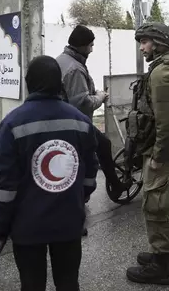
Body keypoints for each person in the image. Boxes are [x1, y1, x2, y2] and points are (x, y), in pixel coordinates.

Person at [0, 55, 98, 291]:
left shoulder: (11, 124)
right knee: (69, 282)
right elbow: (90, 173)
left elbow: (4, 186)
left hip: (27, 226)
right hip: (69, 220)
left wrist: (0, 226)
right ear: (59, 82)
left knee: (31, 284)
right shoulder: (80, 121)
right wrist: (79, 198)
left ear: (29, 82)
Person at [125, 23, 169, 286]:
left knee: (156, 205)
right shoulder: (166, 67)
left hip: (161, 150)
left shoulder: (162, 73)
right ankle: (165, 254)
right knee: (161, 202)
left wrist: (159, 155)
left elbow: (168, 120)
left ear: (159, 43)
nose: (142, 47)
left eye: (145, 42)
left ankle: (160, 267)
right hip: (161, 147)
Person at [56, 25, 130, 205]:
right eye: (90, 45)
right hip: (74, 121)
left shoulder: (63, 59)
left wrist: (92, 92)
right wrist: (100, 97)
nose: (92, 49)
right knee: (102, 146)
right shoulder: (75, 68)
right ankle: (113, 185)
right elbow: (82, 104)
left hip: (63, 118)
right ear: (82, 45)